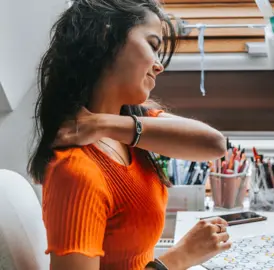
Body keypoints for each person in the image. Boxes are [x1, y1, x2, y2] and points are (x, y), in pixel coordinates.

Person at [27, 0, 232, 269]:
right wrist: (178, 258)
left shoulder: (129, 127)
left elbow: (215, 144)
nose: (159, 66)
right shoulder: (77, 171)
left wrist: (104, 124)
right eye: (152, 45)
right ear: (106, 35)